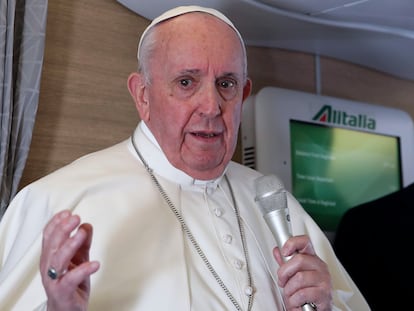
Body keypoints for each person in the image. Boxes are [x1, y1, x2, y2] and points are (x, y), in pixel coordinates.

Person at [0, 5, 370, 311]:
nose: (210, 106)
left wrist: (327, 306)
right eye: (186, 82)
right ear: (142, 95)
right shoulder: (59, 201)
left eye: (226, 84)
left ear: (243, 95)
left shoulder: (275, 203)